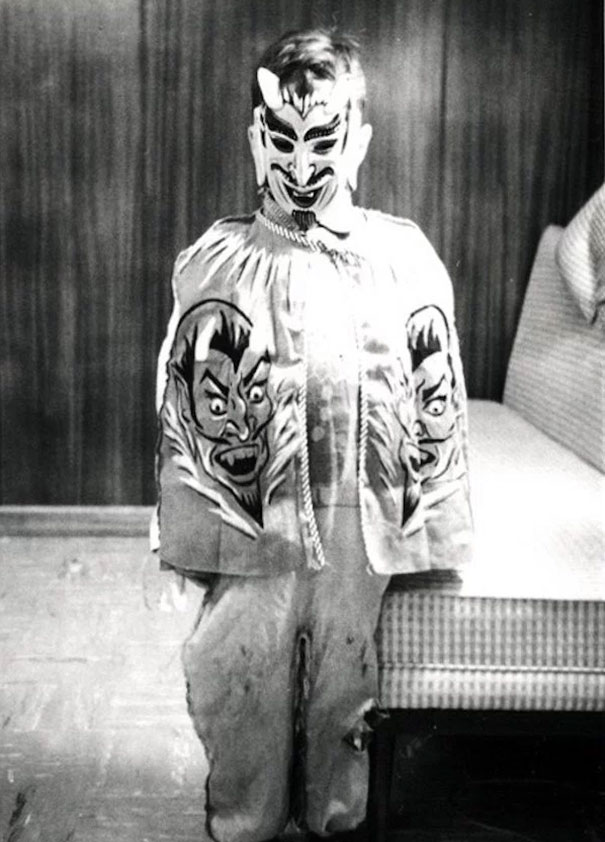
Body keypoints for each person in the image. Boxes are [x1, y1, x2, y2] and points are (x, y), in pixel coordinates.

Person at [154, 28, 473, 842]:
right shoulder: (217, 261)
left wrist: (425, 525)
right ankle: (245, 819)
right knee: (236, 674)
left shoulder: (404, 258)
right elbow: (187, 406)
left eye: (324, 140)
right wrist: (190, 535)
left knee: (343, 683)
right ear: (256, 142)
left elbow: (433, 392)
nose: (301, 166)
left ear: (358, 142)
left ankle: (335, 815)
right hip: (255, 524)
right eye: (281, 141)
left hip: (354, 519)